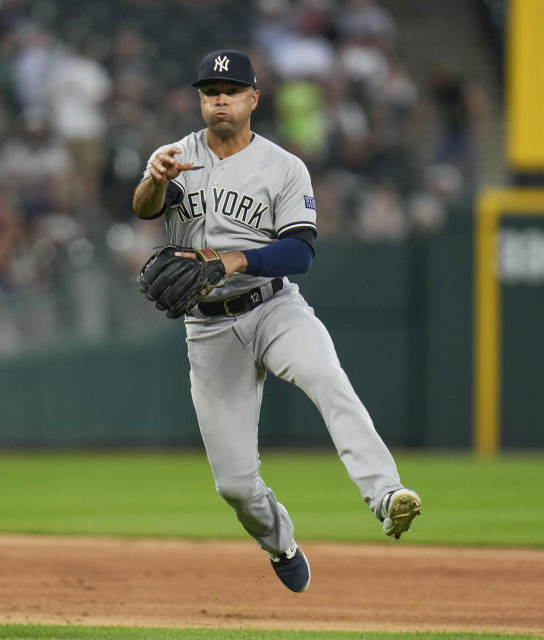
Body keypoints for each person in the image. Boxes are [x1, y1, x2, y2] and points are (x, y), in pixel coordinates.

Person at [132, 49, 421, 593]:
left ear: (253, 99)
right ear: (200, 99)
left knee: (329, 382)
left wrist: (233, 260)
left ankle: (386, 495)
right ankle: (279, 542)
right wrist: (153, 180)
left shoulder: (284, 167)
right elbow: (146, 208)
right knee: (236, 486)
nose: (219, 98)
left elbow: (300, 253)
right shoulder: (174, 156)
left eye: (232, 89)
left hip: (274, 307)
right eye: (210, 90)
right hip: (209, 328)